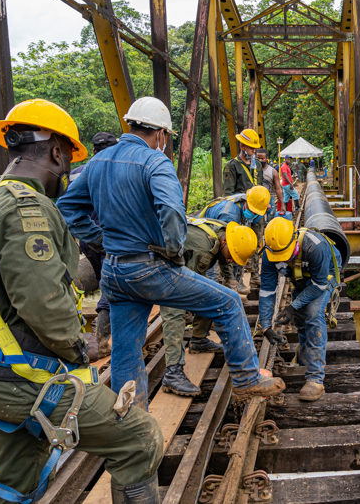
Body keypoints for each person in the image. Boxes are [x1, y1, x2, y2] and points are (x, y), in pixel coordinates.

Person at [0, 99, 164, 503]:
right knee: (139, 439)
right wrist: (76, 346)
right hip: (27, 378)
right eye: (68, 157)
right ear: (55, 151)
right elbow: (44, 303)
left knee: (18, 481)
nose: (68, 167)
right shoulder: (24, 208)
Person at [57, 96, 284, 411]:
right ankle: (247, 379)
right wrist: (173, 250)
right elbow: (171, 210)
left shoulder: (97, 163)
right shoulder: (154, 161)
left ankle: (131, 417)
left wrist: (102, 240)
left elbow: (67, 209)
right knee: (229, 303)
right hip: (148, 268)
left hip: (114, 274)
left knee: (126, 351)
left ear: (131, 124)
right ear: (161, 135)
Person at [159, 220, 258, 396]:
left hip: (179, 261)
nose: (229, 260)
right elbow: (180, 284)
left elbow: (224, 257)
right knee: (175, 312)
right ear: (224, 242)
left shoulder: (223, 232)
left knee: (211, 293)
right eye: (231, 256)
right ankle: (173, 372)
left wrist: (230, 279)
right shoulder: (202, 249)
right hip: (157, 268)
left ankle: (198, 340)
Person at [259, 218, 342, 402]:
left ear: (295, 240)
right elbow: (267, 291)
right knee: (299, 318)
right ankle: (305, 356)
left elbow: (319, 284)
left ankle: (315, 379)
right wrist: (266, 327)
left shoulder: (315, 247)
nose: (281, 259)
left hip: (323, 277)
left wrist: (292, 305)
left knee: (312, 314)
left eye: (285, 255)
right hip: (302, 277)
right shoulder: (269, 254)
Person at [71, 131, 118, 357]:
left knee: (103, 283)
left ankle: (103, 328)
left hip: (86, 240)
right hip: (109, 239)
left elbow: (68, 206)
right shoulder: (115, 170)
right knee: (110, 288)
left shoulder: (77, 172)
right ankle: (101, 339)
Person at [199, 186, 270, 297]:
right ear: (247, 201)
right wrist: (228, 277)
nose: (253, 213)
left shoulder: (242, 201)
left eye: (256, 212)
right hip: (205, 240)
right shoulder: (229, 215)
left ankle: (230, 288)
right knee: (211, 274)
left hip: (214, 236)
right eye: (252, 210)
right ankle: (211, 300)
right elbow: (224, 248)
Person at [223, 129, 265, 290]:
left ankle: (254, 274)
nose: (254, 151)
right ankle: (236, 279)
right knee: (240, 245)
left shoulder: (258, 166)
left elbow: (260, 187)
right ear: (242, 146)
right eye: (250, 148)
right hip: (241, 213)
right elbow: (228, 195)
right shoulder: (232, 167)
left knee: (255, 243)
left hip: (257, 214)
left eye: (255, 148)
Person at [255, 148, 285, 220]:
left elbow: (278, 188)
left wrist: (282, 204)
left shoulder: (273, 172)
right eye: (258, 158)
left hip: (269, 199)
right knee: (257, 223)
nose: (260, 160)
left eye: (262, 158)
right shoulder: (252, 170)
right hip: (256, 200)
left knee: (270, 221)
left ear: (267, 158)